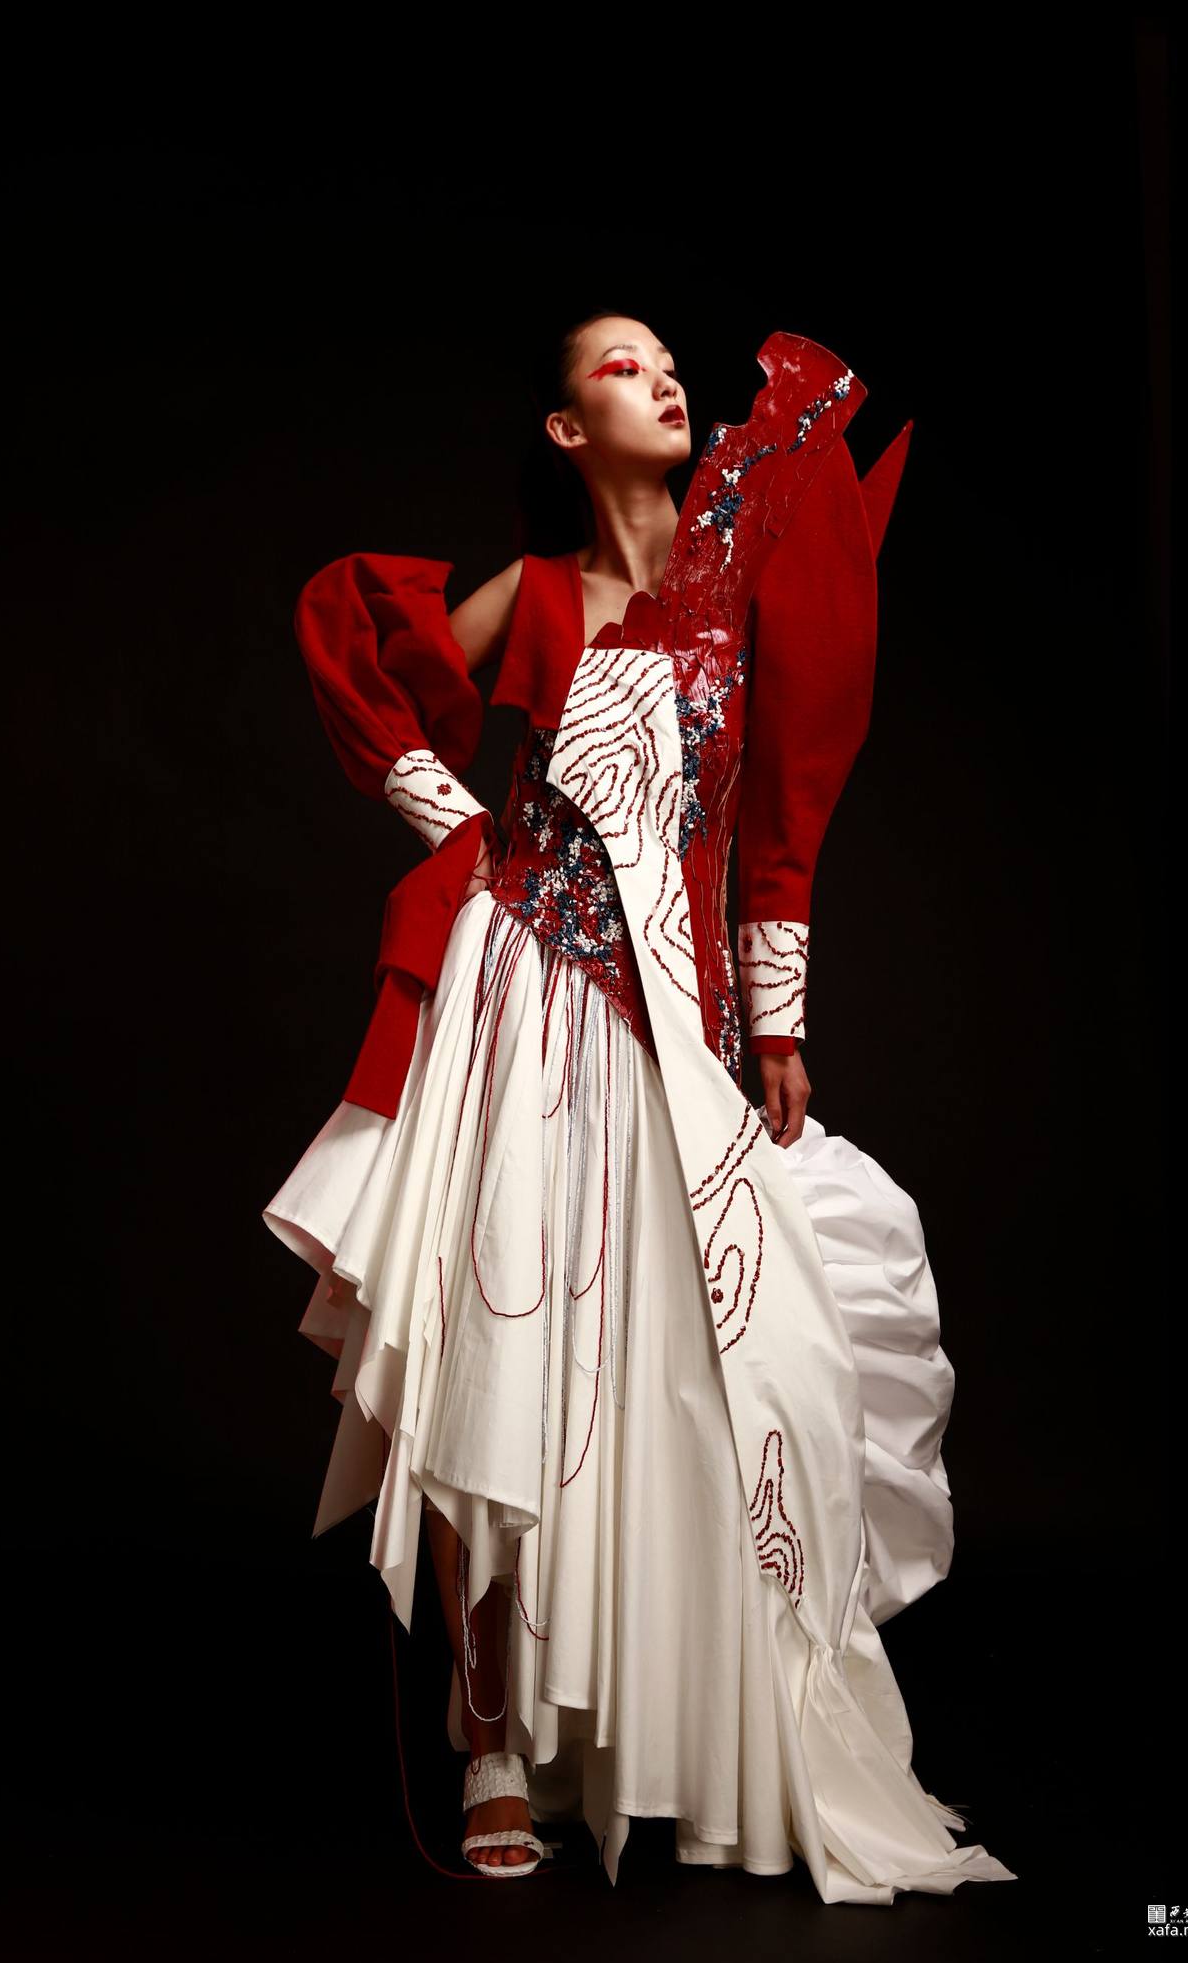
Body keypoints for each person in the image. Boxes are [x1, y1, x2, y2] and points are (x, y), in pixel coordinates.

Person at [261, 310, 1018, 1900]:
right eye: (623, 365)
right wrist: (450, 820)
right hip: (518, 1000)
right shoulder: (537, 594)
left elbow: (781, 807)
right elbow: (360, 650)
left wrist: (781, 1017)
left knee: (707, 1368)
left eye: (670, 361)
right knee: (493, 1355)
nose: (665, 378)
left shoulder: (744, 589)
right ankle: (491, 1739)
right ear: (566, 429)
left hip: (674, 1027)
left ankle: (662, 1716)